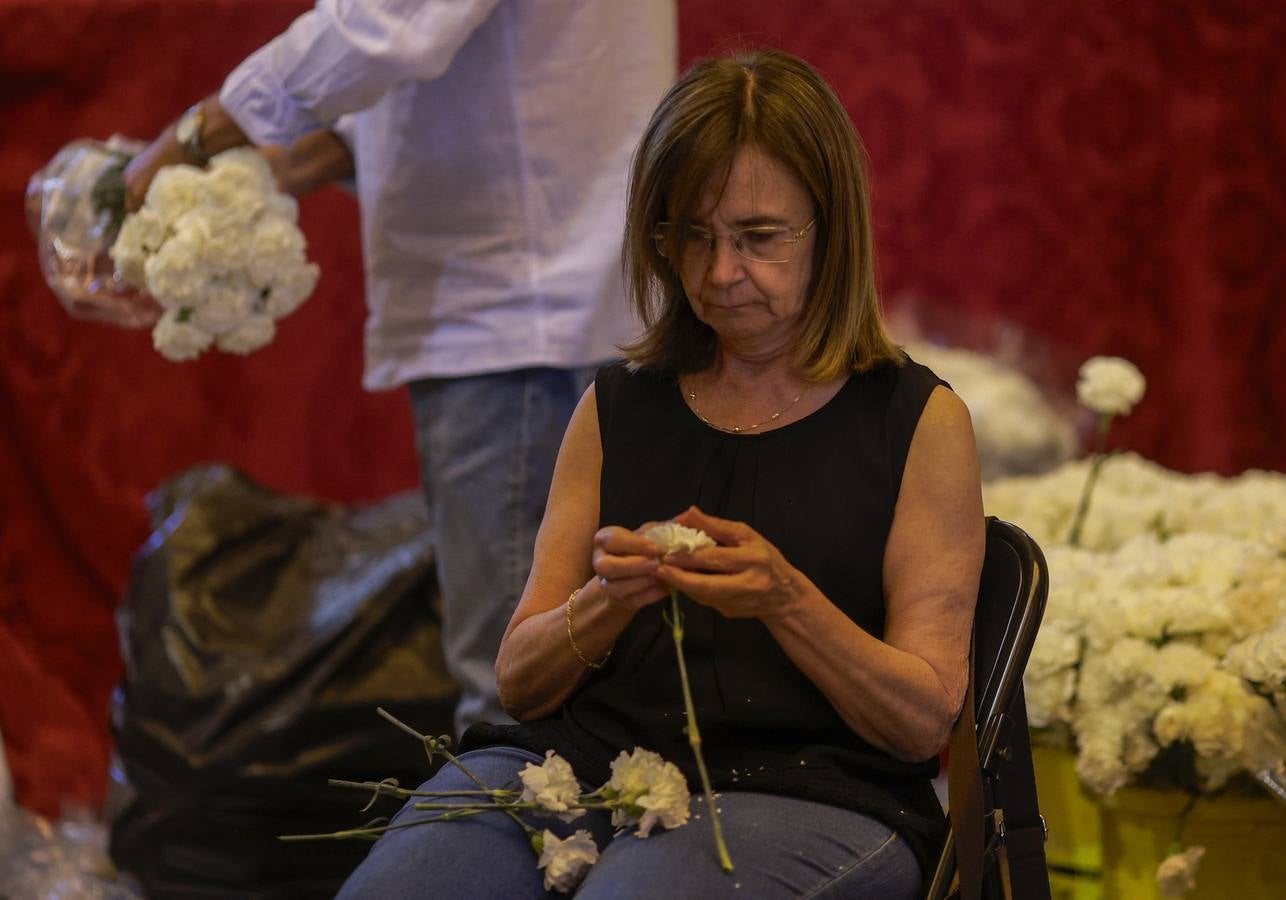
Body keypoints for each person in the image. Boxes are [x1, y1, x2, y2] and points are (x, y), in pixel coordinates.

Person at [335, 48, 986, 899]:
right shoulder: (617, 406)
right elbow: (521, 682)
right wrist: (609, 599)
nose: (720, 273)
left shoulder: (918, 421)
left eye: (758, 237)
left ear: (831, 231)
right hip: (578, 765)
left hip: (815, 790)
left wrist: (786, 600)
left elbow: (921, 723)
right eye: (692, 236)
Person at [121, 1, 677, 731]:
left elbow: (383, 24)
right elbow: (476, 64)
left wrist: (192, 137)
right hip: (539, 296)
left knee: (518, 700)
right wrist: (284, 163)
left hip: (522, 316)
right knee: (572, 687)